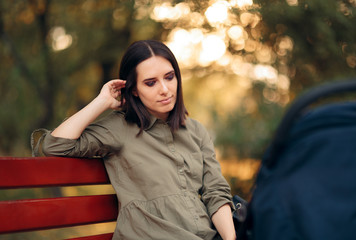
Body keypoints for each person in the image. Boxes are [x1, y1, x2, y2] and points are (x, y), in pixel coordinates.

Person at [35, 40, 236, 240]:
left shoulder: (196, 131)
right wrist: (102, 101)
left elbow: (216, 192)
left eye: (169, 77)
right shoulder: (119, 128)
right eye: (151, 83)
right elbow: (54, 145)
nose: (165, 89)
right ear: (133, 89)